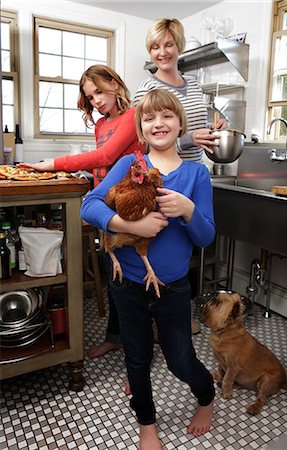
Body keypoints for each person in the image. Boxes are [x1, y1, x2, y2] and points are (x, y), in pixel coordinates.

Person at [80, 88, 216, 449]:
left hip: (172, 287)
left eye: (167, 116)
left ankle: (206, 397)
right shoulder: (129, 165)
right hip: (128, 285)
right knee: (136, 357)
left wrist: (188, 209)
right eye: (150, 117)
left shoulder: (196, 176)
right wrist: (131, 227)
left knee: (181, 360)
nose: (159, 123)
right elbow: (88, 205)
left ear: (180, 123)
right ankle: (147, 425)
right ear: (140, 129)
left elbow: (205, 237)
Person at [20, 64, 145, 358]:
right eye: (90, 97)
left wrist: (52, 163)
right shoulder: (102, 124)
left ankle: (138, 353)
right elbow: (100, 166)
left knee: (131, 279)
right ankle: (117, 337)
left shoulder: (134, 115)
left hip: (128, 205)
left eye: (99, 91)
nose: (97, 101)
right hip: (105, 205)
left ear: (115, 83)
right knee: (113, 275)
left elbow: (106, 155)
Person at [133, 17, 228, 163]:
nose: (162, 52)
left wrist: (214, 129)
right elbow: (142, 145)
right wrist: (189, 139)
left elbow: (194, 126)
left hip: (195, 169)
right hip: (165, 172)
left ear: (179, 46)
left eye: (169, 45)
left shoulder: (194, 85)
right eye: (155, 47)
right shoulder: (147, 90)